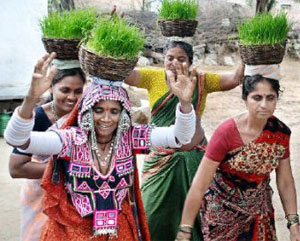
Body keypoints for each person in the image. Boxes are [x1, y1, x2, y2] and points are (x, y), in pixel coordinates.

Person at [4, 52, 198, 241]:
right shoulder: (72, 140)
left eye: (114, 111)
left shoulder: (129, 138)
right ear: (88, 111)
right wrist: (30, 98)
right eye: (99, 110)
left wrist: (185, 103)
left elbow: (179, 137)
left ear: (122, 115)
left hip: (118, 232)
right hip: (72, 231)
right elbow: (18, 139)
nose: (106, 119)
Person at [125, 40, 244, 241]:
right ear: (163, 60)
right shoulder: (154, 77)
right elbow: (127, 76)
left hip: (195, 160)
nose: (174, 63)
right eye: (169, 58)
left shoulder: (201, 81)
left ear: (190, 61)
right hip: (160, 162)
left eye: (181, 59)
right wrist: (125, 50)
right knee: (152, 213)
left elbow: (234, 79)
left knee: (200, 215)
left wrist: (247, 54)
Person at [176, 65, 300, 241]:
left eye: (270, 98)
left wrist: (294, 224)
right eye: (257, 98)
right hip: (222, 214)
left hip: (259, 213)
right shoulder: (226, 132)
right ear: (245, 98)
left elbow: (285, 181)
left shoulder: (280, 133)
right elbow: (200, 184)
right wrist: (185, 229)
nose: (264, 105)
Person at [8, 58, 86, 241]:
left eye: (78, 91)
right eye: (65, 90)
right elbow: (16, 168)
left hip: (75, 199)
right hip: (40, 198)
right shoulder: (38, 117)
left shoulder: (85, 116)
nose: (72, 97)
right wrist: (68, 168)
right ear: (51, 88)